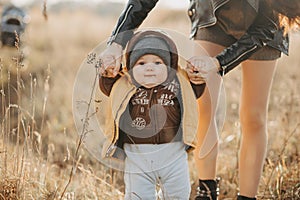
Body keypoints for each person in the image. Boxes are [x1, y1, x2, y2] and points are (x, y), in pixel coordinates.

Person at [98, 1, 300, 199]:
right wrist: (117, 43)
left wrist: (218, 63)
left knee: (253, 116)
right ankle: (207, 189)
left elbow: (264, 29)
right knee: (202, 103)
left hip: (264, 20)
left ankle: (247, 196)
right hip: (212, 16)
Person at [99, 30, 205, 199]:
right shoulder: (125, 84)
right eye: (141, 63)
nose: (149, 67)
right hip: (137, 155)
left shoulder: (178, 82)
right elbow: (108, 87)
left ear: (169, 67)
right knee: (138, 195)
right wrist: (108, 72)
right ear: (131, 68)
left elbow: (195, 91)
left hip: (173, 153)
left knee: (178, 193)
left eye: (157, 62)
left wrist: (197, 76)